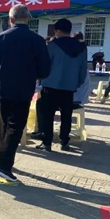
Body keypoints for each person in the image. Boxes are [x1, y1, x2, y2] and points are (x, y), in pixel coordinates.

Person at [0, 4, 50, 182]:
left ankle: (4, 160)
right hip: (23, 88)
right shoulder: (37, 40)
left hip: (1, 88)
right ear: (28, 19)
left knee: (5, 125)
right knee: (15, 127)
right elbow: (45, 70)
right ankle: (4, 166)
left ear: (11, 19)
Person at [36, 19, 87, 152]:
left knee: (48, 115)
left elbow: (45, 66)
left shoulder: (52, 45)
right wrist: (76, 83)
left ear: (57, 31)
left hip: (50, 85)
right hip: (70, 87)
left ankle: (47, 143)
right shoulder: (81, 47)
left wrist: (41, 79)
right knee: (66, 115)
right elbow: (83, 69)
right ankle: (64, 141)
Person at [72, 32, 90, 110]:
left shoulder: (70, 45)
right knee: (82, 86)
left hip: (72, 69)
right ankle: (78, 102)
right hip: (79, 69)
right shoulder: (82, 46)